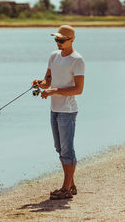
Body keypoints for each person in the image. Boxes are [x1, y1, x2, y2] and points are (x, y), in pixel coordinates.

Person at [32, 25, 85, 200]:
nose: (58, 43)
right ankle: (71, 185)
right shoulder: (53, 56)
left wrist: (54, 91)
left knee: (67, 150)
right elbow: (47, 82)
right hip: (54, 110)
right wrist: (40, 83)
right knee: (59, 148)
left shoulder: (77, 60)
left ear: (72, 40)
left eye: (62, 40)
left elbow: (78, 89)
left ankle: (65, 189)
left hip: (68, 111)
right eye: (56, 39)